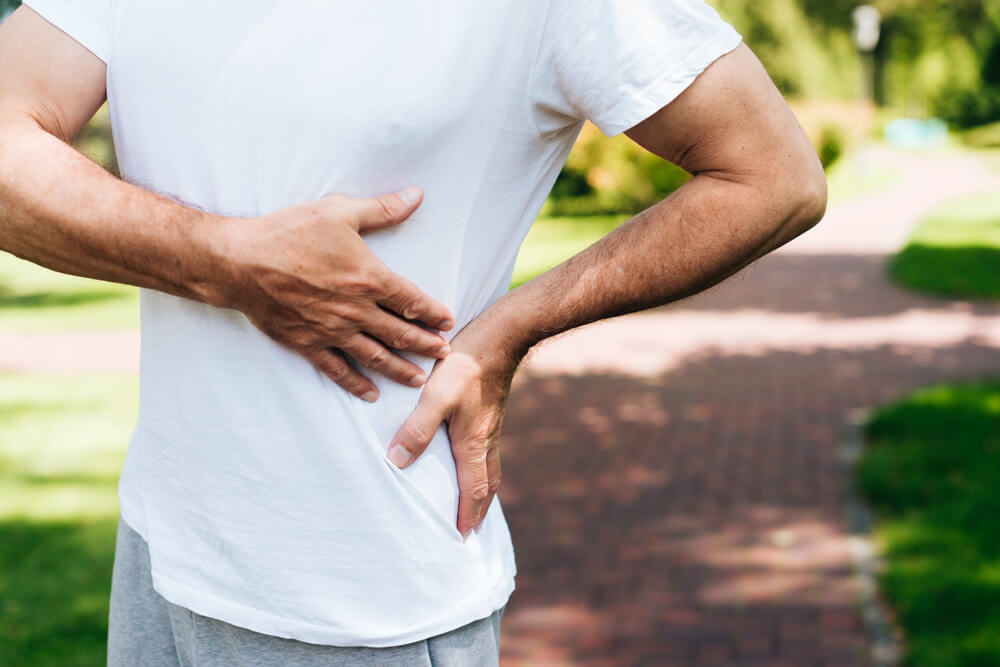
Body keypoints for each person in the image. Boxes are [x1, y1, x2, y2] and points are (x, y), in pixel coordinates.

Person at [0, 0, 827, 664]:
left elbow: (771, 174)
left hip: (365, 594)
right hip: (163, 548)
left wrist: (508, 330)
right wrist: (227, 260)